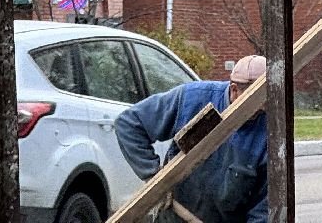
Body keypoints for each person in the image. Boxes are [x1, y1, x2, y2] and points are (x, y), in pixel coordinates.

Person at [114, 53, 267, 223]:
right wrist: (154, 179)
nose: (261, 108)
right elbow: (129, 123)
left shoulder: (269, 134)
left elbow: (263, 208)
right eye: (255, 101)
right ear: (234, 90)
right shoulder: (193, 100)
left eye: (265, 100)